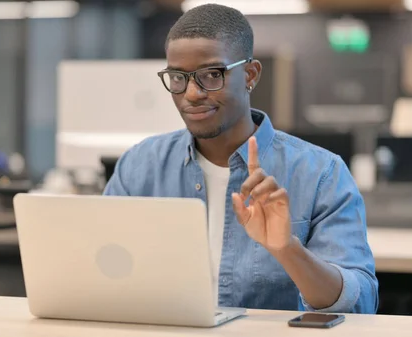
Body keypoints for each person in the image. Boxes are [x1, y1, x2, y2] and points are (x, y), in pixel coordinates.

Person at [104, 3, 378, 314]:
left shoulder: (321, 174)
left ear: (250, 75)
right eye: (178, 77)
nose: (191, 93)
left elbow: (360, 305)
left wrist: (288, 250)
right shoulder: (139, 166)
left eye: (211, 74)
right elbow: (100, 271)